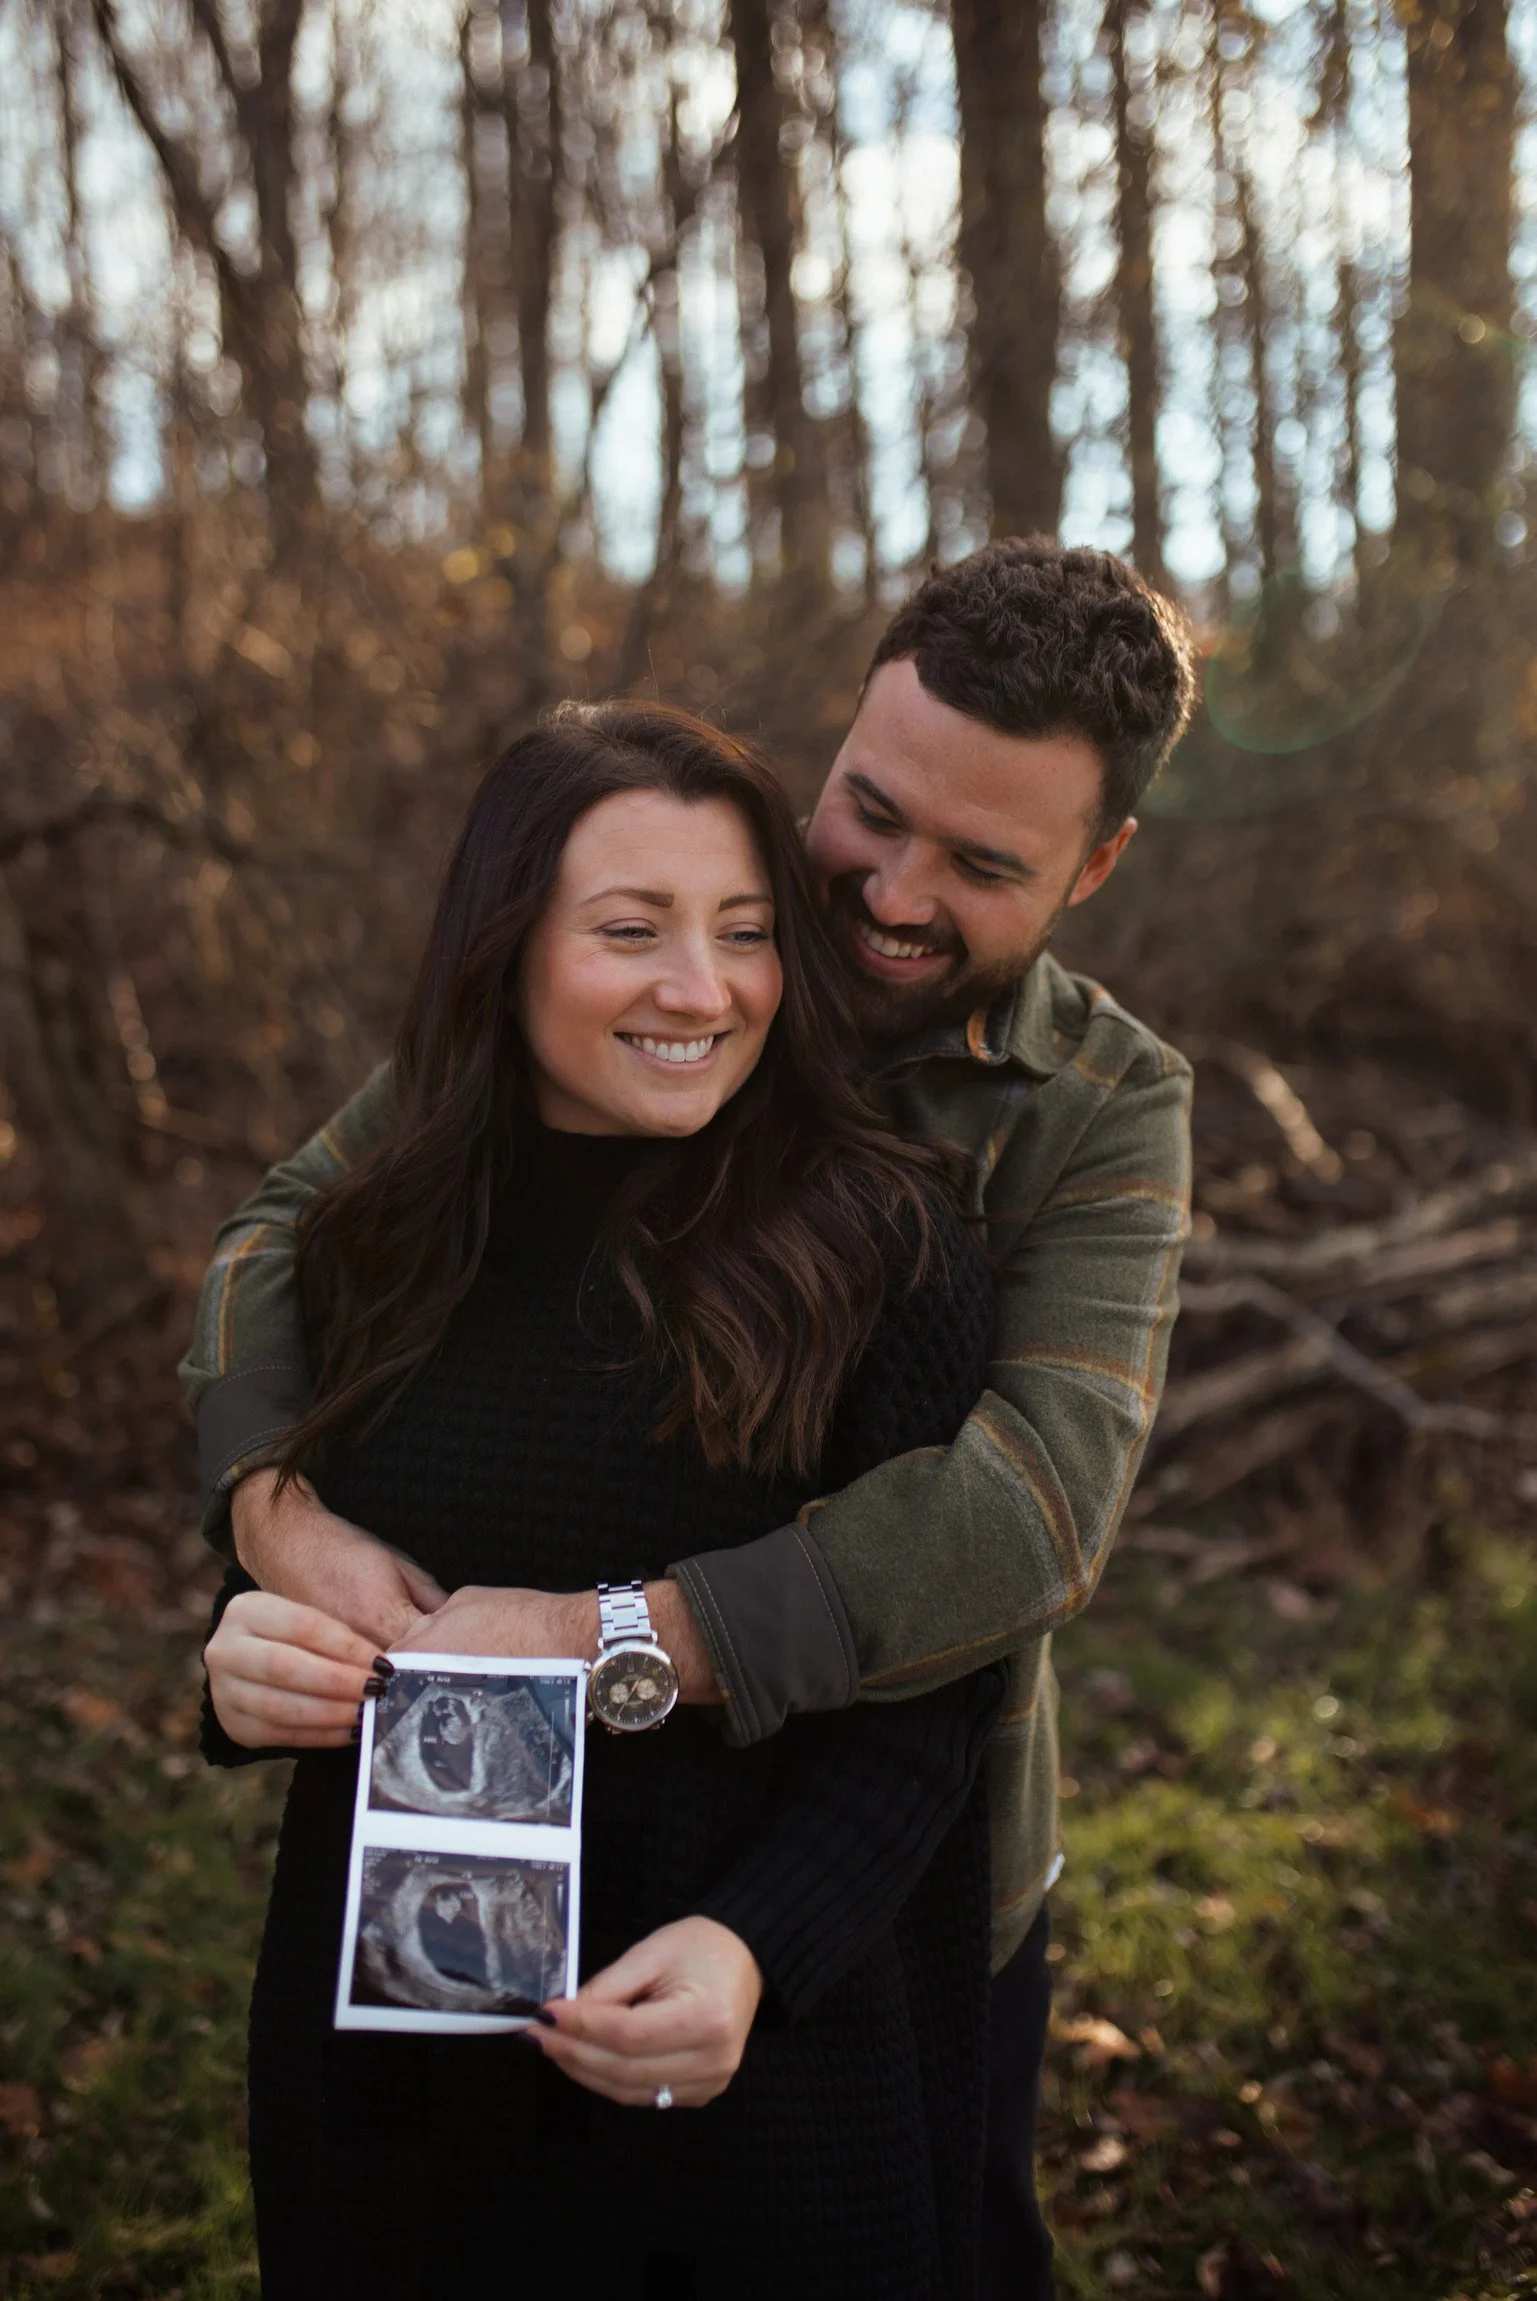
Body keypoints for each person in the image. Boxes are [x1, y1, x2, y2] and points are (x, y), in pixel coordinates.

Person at [185, 538, 1198, 2297]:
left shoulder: (1101, 1111)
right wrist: (270, 1514)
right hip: (492, 1886)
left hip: (895, 1848)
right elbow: (298, 1227)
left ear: (1096, 864)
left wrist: (600, 1645)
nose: (884, 893)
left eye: (979, 864)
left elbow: (1030, 1511)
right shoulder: (671, 918)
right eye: (870, 812)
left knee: (954, 2235)